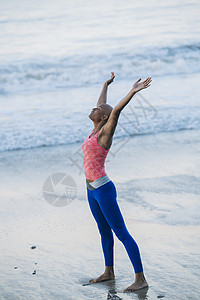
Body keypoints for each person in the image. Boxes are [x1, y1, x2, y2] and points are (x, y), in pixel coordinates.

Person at [82, 72, 152, 293]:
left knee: (121, 232)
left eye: (99, 110)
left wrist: (131, 91)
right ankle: (108, 271)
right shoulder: (95, 130)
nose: (95, 108)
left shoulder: (105, 134)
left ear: (104, 119)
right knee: (104, 232)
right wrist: (105, 84)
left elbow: (115, 111)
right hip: (91, 190)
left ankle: (140, 278)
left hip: (103, 190)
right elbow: (103, 105)